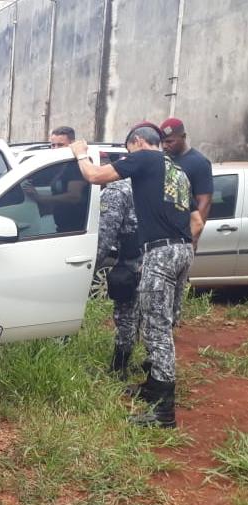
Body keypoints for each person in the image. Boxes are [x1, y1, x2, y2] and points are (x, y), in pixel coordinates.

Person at [69, 123, 204, 428]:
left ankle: (164, 412)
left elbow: (94, 176)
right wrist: (177, 248)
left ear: (139, 142)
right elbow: (196, 222)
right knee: (163, 322)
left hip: (161, 253)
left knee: (157, 330)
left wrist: (80, 153)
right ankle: (153, 386)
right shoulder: (177, 171)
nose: (129, 157)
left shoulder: (145, 158)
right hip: (183, 250)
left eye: (129, 150)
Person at [95, 152, 141, 383]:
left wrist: (89, 267)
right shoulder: (153, 182)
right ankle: (151, 365)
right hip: (162, 257)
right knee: (153, 316)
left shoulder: (116, 190)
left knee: (126, 315)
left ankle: (119, 368)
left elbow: (105, 236)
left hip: (132, 260)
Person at [23, 126, 89, 232]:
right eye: (53, 145)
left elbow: (74, 196)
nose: (55, 149)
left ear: (72, 144)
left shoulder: (75, 166)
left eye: (60, 145)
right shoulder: (59, 165)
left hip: (76, 227)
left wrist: (40, 198)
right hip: (63, 225)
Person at [159, 117, 214, 237]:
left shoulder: (199, 163)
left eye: (169, 141)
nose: (164, 146)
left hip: (183, 233)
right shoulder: (163, 160)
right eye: (162, 142)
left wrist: (193, 237)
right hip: (163, 232)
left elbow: (204, 202)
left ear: (183, 137)